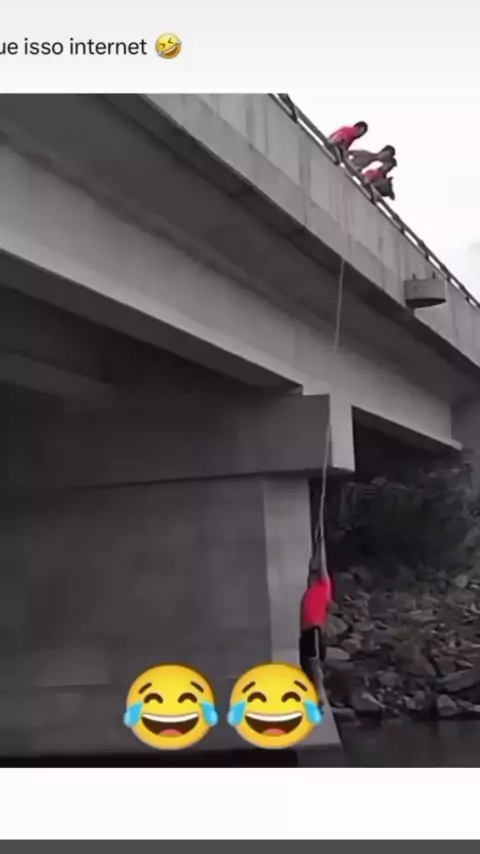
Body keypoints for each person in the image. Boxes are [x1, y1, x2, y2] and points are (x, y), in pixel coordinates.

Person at [299, 545, 332, 693]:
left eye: (313, 573)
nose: (310, 575)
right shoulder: (310, 590)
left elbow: (321, 565)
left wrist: (319, 545)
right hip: (306, 632)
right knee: (306, 664)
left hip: (314, 629)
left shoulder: (324, 585)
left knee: (314, 663)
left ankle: (320, 694)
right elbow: (312, 565)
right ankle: (312, 692)